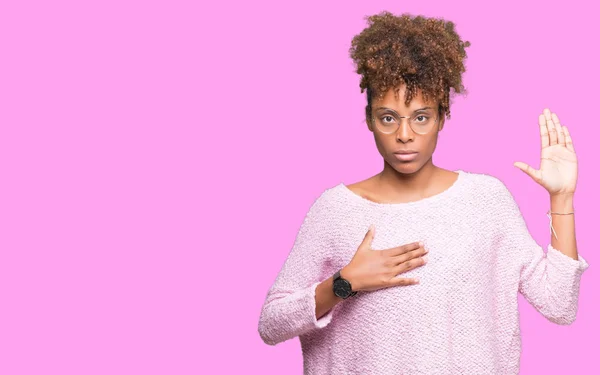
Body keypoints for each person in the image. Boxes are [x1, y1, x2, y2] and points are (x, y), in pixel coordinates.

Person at [257, 11, 589, 374]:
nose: (404, 135)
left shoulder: (485, 200)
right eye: (388, 117)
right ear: (369, 119)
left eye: (420, 117)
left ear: (442, 117)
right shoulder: (335, 209)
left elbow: (558, 304)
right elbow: (271, 324)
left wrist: (562, 199)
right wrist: (343, 284)